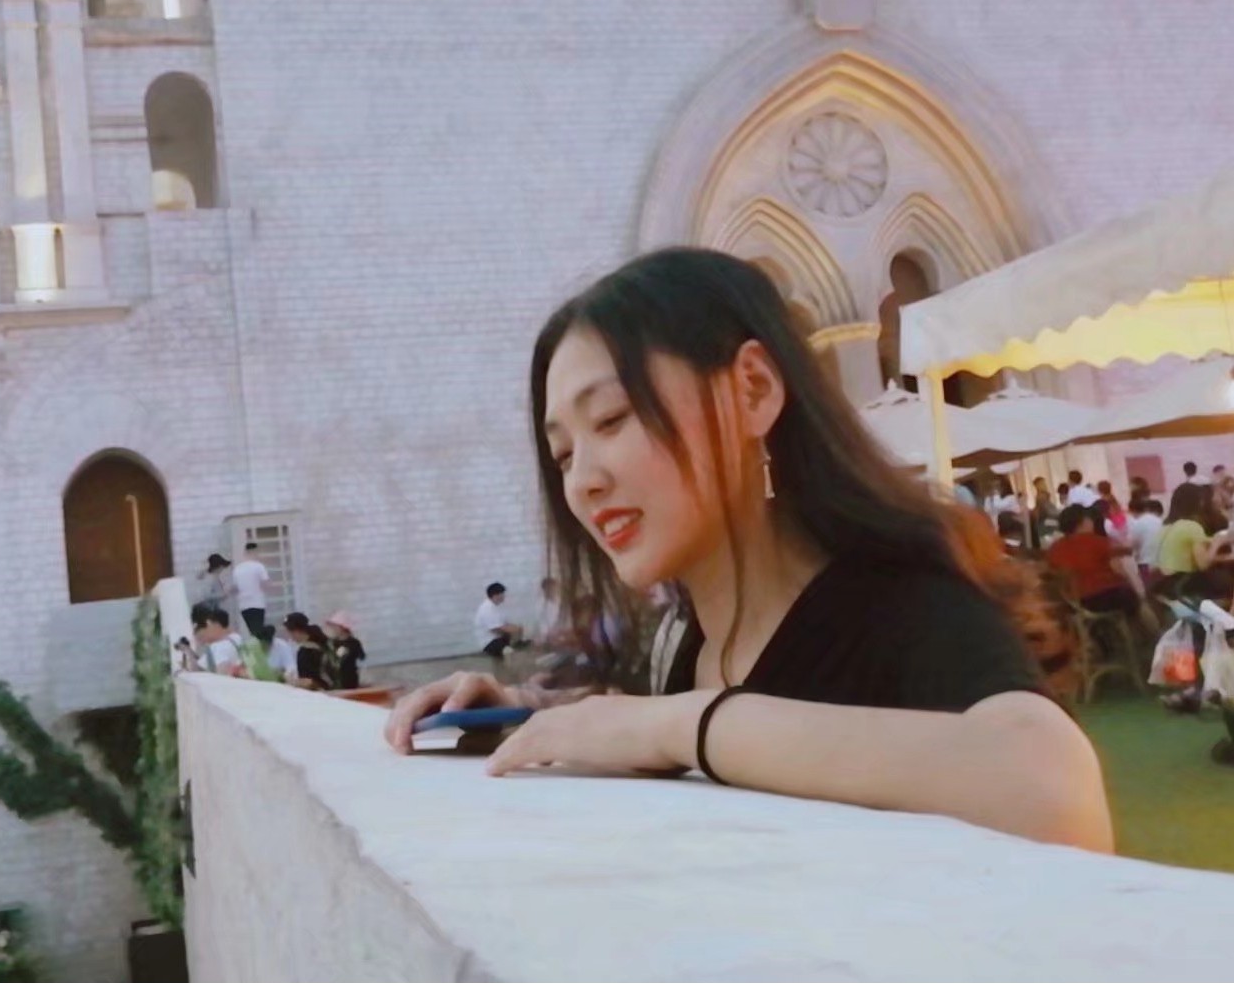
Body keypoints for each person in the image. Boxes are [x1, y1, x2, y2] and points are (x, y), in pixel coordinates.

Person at [384, 248, 1110, 852]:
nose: (583, 482)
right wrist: (526, 712)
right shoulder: (685, 639)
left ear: (753, 390)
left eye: (611, 419)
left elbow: (1055, 793)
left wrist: (679, 724)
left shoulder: (896, 601)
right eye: (564, 454)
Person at [1045, 505, 1138, 616]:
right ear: (1083, 522)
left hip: (1074, 601)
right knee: (1134, 599)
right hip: (1105, 596)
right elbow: (1121, 562)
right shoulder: (1098, 541)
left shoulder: (1055, 548)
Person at [1155, 483, 1233, 600]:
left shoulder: (1166, 526)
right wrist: (1217, 544)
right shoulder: (1192, 527)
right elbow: (1204, 564)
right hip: (1184, 583)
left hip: (1164, 582)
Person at [231, 544, 273, 643]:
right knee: (259, 631)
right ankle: (261, 648)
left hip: (244, 605)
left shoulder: (237, 569)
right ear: (255, 552)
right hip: (257, 603)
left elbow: (235, 588)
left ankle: (256, 647)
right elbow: (266, 584)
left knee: (252, 631)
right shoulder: (259, 566)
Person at [472, 583, 526, 658]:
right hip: (489, 642)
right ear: (495, 595)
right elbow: (495, 629)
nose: (504, 596)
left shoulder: (497, 606)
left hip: (499, 638)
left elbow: (506, 623)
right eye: (502, 594)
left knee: (517, 632)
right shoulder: (487, 608)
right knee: (510, 653)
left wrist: (518, 628)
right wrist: (514, 630)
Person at [284, 613, 335, 690]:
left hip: (321, 693)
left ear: (297, 631)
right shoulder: (321, 642)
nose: (290, 636)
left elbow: (309, 682)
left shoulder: (306, 651)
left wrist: (291, 681)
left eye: (290, 632)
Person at [192, 606, 246, 675]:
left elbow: (222, 673)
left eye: (197, 630)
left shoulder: (218, 647)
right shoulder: (236, 637)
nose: (197, 636)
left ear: (209, 623)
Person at [323, 611, 366, 690]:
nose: (333, 629)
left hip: (350, 678)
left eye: (335, 627)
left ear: (342, 628)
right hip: (335, 679)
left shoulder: (353, 643)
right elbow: (330, 661)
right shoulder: (332, 643)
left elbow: (362, 657)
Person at [1127, 497, 1165, 586]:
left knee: (1150, 588)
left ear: (1133, 511)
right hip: (1162, 561)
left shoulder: (1137, 523)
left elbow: (1132, 544)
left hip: (1146, 563)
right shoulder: (1159, 520)